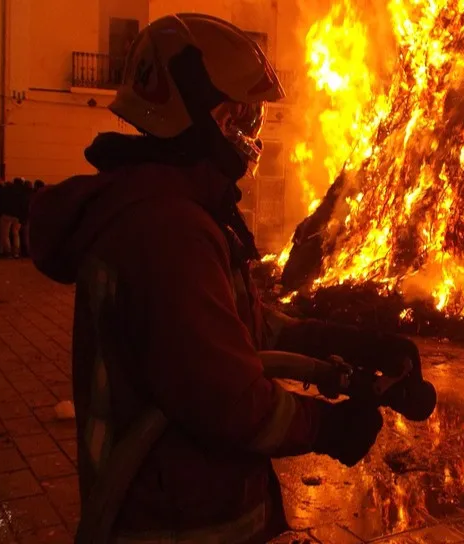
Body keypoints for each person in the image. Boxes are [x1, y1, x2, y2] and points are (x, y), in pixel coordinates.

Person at [27, 13, 417, 543]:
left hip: (178, 504)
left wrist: (334, 343)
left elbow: (232, 329)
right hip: (180, 520)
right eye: (241, 118)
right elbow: (226, 397)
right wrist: (326, 428)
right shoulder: (166, 230)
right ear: (194, 112)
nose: (249, 134)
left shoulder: (161, 207)